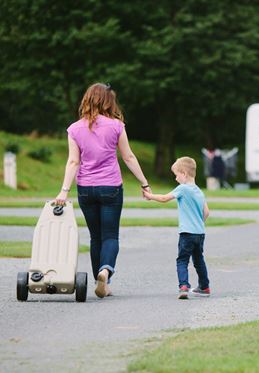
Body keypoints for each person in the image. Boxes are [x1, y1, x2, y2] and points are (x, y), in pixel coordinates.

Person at [55, 82, 151, 299]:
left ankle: (102, 279)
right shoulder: (116, 126)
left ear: (87, 100)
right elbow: (128, 157)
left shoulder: (74, 128)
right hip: (111, 188)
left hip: (86, 189)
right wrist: (144, 183)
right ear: (109, 101)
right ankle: (105, 272)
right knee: (110, 236)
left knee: (95, 237)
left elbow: (73, 162)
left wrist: (63, 191)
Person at [143, 156, 211, 300]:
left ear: (184, 174)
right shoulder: (199, 191)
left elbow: (164, 198)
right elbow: (206, 212)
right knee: (199, 260)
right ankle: (204, 287)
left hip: (187, 233)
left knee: (182, 260)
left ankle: (183, 286)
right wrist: (198, 223)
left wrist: (150, 196)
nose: (175, 179)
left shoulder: (183, 189)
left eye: (176, 175)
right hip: (200, 233)